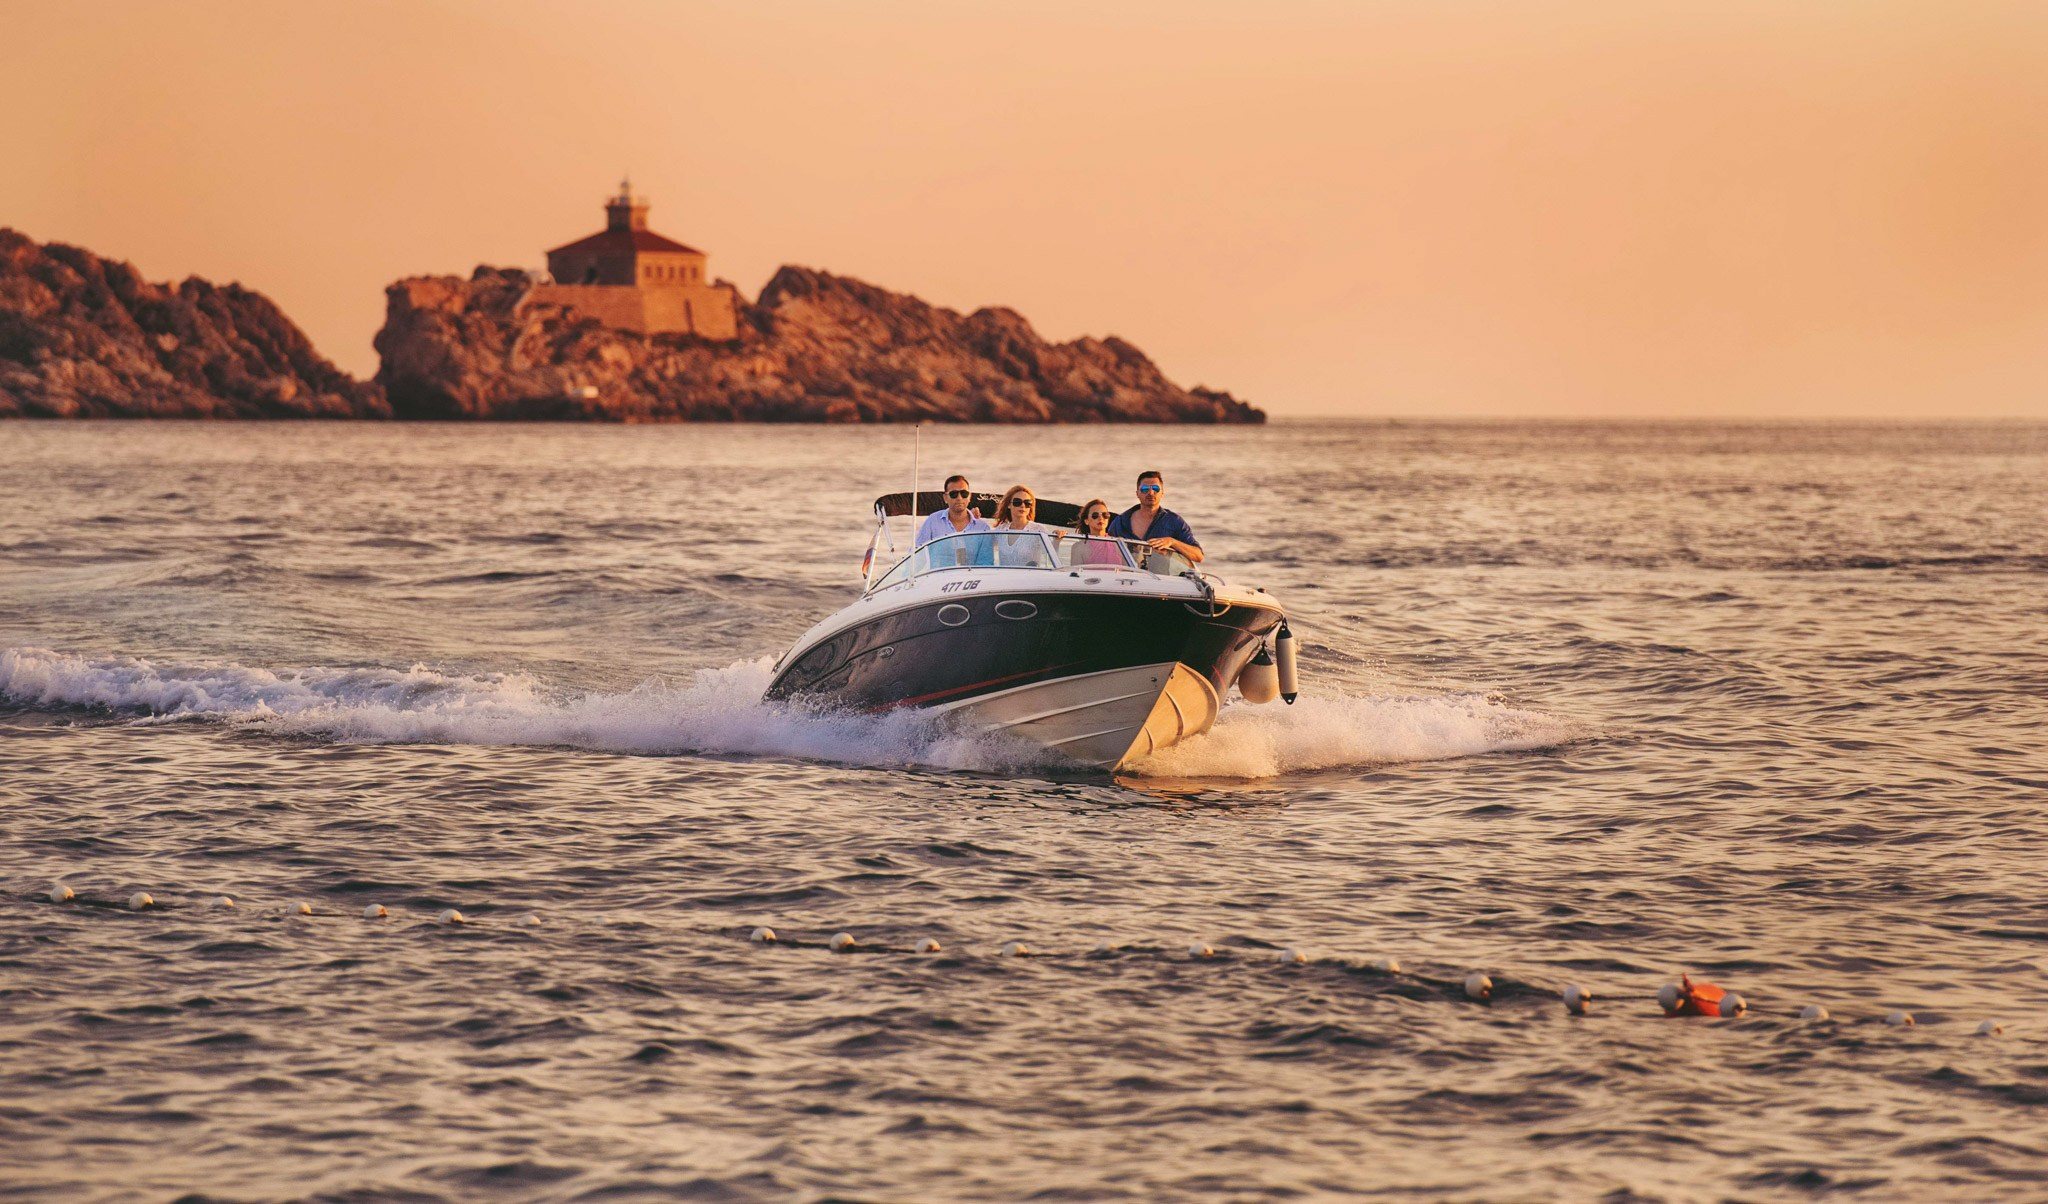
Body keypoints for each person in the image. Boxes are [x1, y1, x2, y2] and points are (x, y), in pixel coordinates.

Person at [1106, 470, 1203, 564]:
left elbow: (1198, 556)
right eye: (1145, 489)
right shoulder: (1121, 522)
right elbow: (1105, 551)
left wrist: (1172, 542)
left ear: (1162, 493)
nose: (1151, 493)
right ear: (1137, 493)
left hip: (1160, 579)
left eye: (1156, 489)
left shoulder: (1174, 521)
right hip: (1126, 578)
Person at [914, 473, 993, 566]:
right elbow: (916, 555)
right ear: (945, 498)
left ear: (970, 497)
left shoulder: (983, 528)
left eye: (964, 493)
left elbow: (985, 563)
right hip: (938, 578)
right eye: (954, 494)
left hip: (972, 578)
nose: (959, 498)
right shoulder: (932, 522)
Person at [990, 485, 1062, 566]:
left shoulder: (1038, 529)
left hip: (1030, 577)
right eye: (1017, 502)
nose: (1023, 506)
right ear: (1009, 505)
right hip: (1004, 577)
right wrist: (974, 519)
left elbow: (1050, 558)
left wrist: (1056, 540)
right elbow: (983, 545)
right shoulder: (1001, 529)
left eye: (1027, 503)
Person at [1069, 499, 1127, 566]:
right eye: (1095, 515)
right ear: (1086, 521)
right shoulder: (1079, 547)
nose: (1101, 518)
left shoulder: (1120, 543)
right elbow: (1075, 574)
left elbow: (1130, 571)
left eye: (1105, 515)